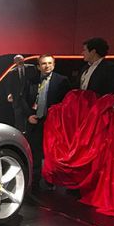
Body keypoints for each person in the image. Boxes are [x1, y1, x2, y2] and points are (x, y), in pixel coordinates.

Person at [25, 55, 71, 187]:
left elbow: (67, 102)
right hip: (35, 121)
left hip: (53, 123)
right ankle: (34, 181)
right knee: (35, 152)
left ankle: (51, 181)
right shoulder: (31, 81)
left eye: (50, 63)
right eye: (44, 63)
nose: (47, 66)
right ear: (39, 66)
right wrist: (29, 115)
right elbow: (24, 100)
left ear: (54, 65)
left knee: (52, 153)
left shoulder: (62, 81)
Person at [6, 55, 37, 133]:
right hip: (17, 98)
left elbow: (36, 81)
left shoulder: (31, 68)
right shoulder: (12, 72)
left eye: (20, 59)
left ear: (23, 60)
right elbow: (9, 85)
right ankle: (19, 133)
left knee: (30, 115)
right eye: (17, 60)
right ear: (14, 62)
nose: (19, 61)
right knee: (18, 117)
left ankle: (30, 133)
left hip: (29, 97)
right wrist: (9, 94)